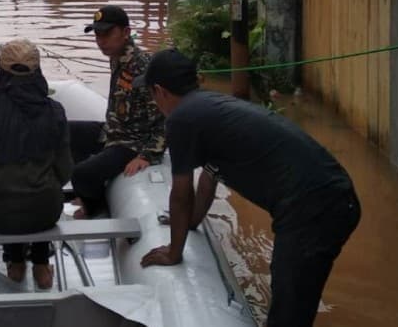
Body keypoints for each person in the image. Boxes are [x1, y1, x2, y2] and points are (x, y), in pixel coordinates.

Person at [136, 49, 361, 327]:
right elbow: (209, 176)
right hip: (331, 198)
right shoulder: (209, 107)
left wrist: (174, 251)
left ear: (159, 91)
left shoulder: (182, 118)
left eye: (150, 94)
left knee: (288, 312)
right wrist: (192, 221)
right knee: (292, 296)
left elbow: (181, 193)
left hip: (314, 208)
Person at [0, 39, 72, 289]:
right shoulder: (55, 112)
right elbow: (65, 171)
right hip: (44, 212)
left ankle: (15, 262)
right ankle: (41, 265)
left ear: (1, 71)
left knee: (3, 189)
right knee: (40, 192)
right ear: (37, 71)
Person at [70, 5, 166, 218]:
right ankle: (89, 192)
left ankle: (95, 209)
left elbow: (164, 116)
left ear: (125, 32)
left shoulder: (142, 68)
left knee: (81, 175)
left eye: (107, 33)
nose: (101, 41)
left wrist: (147, 155)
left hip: (132, 142)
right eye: (97, 34)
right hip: (113, 132)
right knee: (64, 131)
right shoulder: (117, 57)